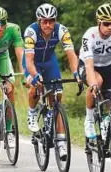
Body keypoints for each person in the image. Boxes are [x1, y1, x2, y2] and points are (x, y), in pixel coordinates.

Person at [22, 3, 79, 159]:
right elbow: (29, 60)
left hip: (49, 62)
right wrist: (34, 75)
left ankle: (60, 140)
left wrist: (76, 72)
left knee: (57, 96)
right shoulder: (30, 32)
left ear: (55, 20)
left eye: (51, 21)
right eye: (44, 21)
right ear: (39, 21)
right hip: (32, 64)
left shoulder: (62, 30)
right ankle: (32, 113)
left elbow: (71, 54)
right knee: (34, 85)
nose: (48, 25)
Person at [78, 3, 111, 171]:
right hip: (88, 66)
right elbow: (90, 66)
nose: (110, 27)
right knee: (96, 82)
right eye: (106, 23)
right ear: (99, 22)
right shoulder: (89, 35)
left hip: (108, 68)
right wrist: (92, 85)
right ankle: (90, 119)